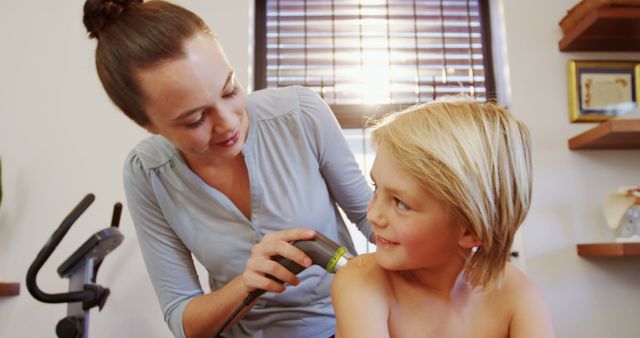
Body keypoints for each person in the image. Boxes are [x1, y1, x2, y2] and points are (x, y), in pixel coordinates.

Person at [82, 1, 372, 337]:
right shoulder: (148, 172)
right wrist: (248, 285)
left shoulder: (300, 114)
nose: (228, 123)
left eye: (230, 89)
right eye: (196, 119)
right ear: (146, 124)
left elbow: (371, 219)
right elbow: (181, 316)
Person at [331, 98, 555, 338]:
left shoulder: (516, 293)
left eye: (401, 203)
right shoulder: (361, 283)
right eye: (376, 188)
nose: (373, 215)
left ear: (470, 231)